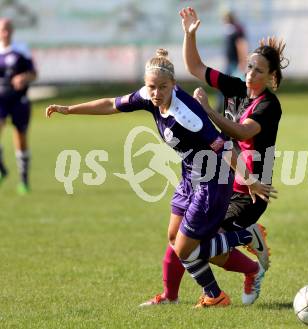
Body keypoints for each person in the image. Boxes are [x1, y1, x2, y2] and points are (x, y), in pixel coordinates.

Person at [46, 49, 275, 308]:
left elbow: (223, 146)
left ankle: (242, 240)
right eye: (151, 87)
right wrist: (69, 109)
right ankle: (179, 296)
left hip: (212, 182)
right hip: (190, 175)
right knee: (173, 236)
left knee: (186, 249)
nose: (155, 93)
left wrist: (249, 181)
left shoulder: (186, 115)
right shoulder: (149, 96)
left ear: (173, 85)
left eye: (162, 88)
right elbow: (111, 104)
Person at [139, 7, 288, 307]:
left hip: (250, 188)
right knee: (182, 235)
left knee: (199, 244)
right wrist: (188, 35)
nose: (250, 74)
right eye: (249, 67)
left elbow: (242, 132)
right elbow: (195, 67)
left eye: (258, 71)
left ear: (272, 77)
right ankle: (171, 295)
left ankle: (247, 239)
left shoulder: (269, 106)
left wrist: (206, 110)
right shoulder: (237, 87)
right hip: (221, 177)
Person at [0, 18, 37, 194]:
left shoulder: (21, 50)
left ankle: (24, 181)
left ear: (12, 31)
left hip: (18, 99)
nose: (5, 33)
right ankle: (2, 169)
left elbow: (34, 73)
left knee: (20, 139)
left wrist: (24, 78)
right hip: (0, 100)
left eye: (7, 29)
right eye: (2, 29)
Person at [216, 10, 248, 112]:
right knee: (223, 84)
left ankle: (235, 107)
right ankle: (222, 105)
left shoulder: (236, 29)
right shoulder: (229, 29)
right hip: (230, 62)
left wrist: (242, 61)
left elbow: (241, 45)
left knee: (232, 85)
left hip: (235, 62)